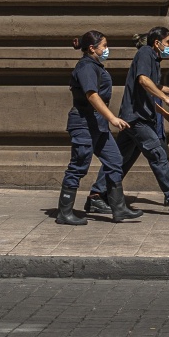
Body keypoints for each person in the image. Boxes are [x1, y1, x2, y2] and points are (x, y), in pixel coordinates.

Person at [88, 26, 169, 217]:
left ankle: (97, 195)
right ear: (157, 43)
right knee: (158, 155)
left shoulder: (153, 58)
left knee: (120, 159)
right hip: (137, 119)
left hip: (135, 118)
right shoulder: (145, 53)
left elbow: (149, 86)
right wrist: (165, 99)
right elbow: (143, 80)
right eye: (168, 42)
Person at [56, 30, 139, 226]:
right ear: (92, 48)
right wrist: (112, 118)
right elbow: (92, 95)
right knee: (79, 164)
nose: (107, 49)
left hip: (97, 125)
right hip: (83, 123)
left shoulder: (95, 66)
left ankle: (119, 209)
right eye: (104, 46)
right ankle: (64, 213)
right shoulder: (86, 67)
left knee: (115, 160)